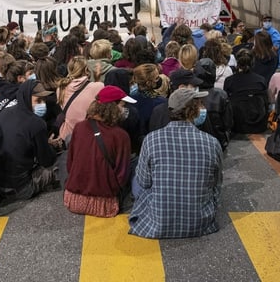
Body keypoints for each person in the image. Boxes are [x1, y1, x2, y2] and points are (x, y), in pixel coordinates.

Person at [129, 88, 223, 239]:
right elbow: (215, 183)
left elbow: (144, 182)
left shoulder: (151, 139)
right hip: (199, 222)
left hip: (158, 222)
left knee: (137, 178)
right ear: (193, 111)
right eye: (200, 105)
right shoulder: (211, 142)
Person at [64, 86, 134, 217]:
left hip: (72, 200)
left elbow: (70, 162)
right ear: (113, 107)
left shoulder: (79, 127)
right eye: (122, 105)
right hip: (105, 205)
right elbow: (122, 173)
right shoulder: (121, 135)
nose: (124, 109)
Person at [0, 79, 59, 207]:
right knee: (53, 170)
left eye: (43, 100)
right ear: (27, 98)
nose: (42, 105)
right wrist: (49, 145)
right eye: (38, 100)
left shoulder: (5, 112)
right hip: (20, 188)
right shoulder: (37, 124)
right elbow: (47, 160)